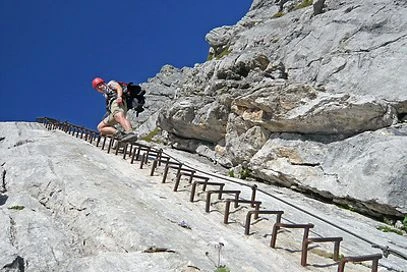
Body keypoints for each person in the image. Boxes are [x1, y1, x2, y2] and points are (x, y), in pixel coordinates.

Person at [92, 77, 137, 142]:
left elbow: (119, 88)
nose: (100, 87)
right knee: (100, 127)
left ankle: (130, 132)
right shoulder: (106, 95)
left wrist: (119, 97)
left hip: (117, 102)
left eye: (100, 84)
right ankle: (120, 134)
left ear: (103, 83)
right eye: (97, 87)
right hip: (113, 111)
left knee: (119, 116)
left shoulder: (110, 84)